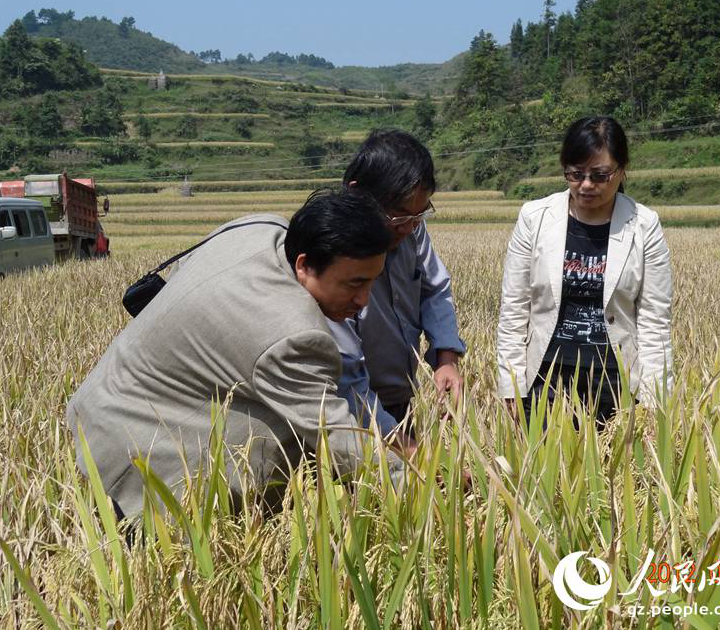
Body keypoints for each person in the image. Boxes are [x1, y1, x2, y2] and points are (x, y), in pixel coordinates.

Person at [66, 189, 404, 519]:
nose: (364, 301)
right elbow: (336, 436)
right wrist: (424, 489)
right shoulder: (293, 334)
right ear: (304, 265)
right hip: (136, 455)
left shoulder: (260, 228)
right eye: (354, 284)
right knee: (293, 439)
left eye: (372, 282)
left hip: (96, 410)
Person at [496, 116, 673, 427]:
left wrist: (655, 401)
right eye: (576, 174)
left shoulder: (644, 225)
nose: (587, 185)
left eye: (600, 175)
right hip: (544, 380)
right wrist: (510, 386)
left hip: (615, 385)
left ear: (622, 169)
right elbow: (514, 309)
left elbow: (655, 322)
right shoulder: (534, 218)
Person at [329, 129, 466, 439]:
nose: (410, 226)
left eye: (420, 213)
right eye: (400, 216)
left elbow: (434, 288)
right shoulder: (331, 250)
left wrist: (446, 357)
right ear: (357, 192)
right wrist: (405, 450)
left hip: (398, 398)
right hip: (348, 410)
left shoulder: (412, 229)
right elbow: (347, 376)